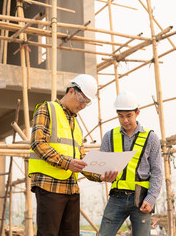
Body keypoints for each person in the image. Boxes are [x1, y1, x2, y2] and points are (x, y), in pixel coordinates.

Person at [29, 74, 118, 236]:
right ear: (71, 91)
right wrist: (66, 162)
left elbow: (82, 159)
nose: (83, 106)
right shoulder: (46, 109)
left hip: (71, 189)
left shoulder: (76, 125)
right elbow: (37, 143)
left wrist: (101, 176)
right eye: (82, 100)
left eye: (87, 103)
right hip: (49, 187)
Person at [98, 91, 163, 236]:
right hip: (116, 197)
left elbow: (157, 171)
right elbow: (100, 166)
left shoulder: (151, 138)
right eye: (121, 116)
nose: (125, 120)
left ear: (137, 113)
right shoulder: (109, 137)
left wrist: (151, 199)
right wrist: (101, 176)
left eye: (129, 116)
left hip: (141, 200)